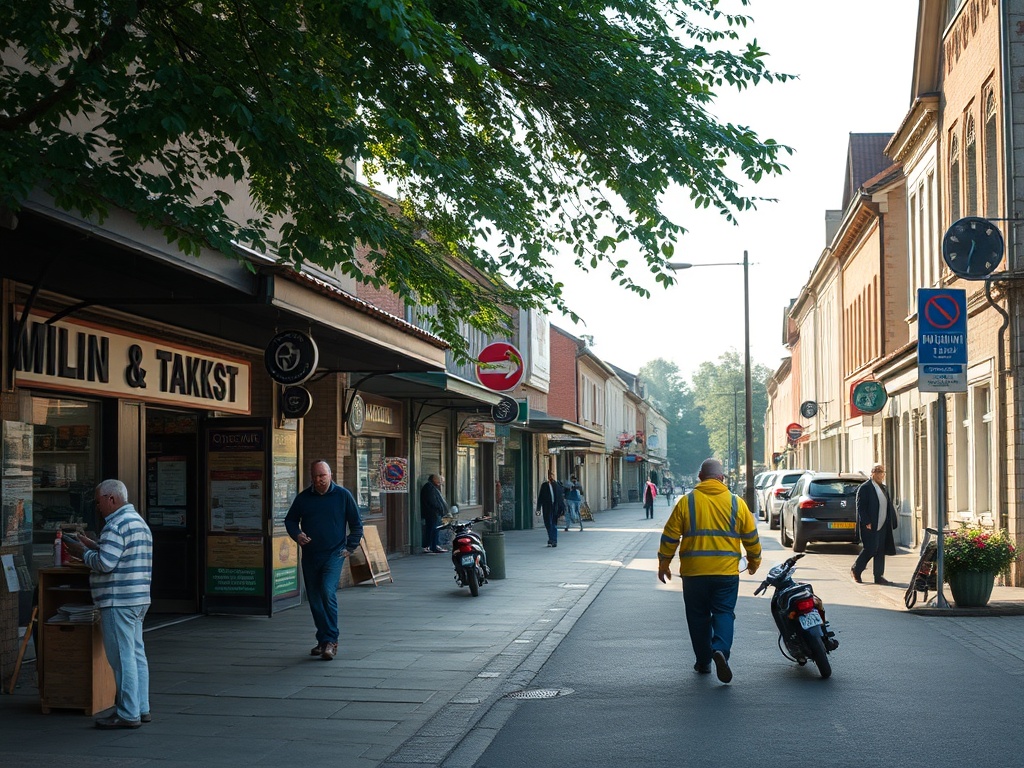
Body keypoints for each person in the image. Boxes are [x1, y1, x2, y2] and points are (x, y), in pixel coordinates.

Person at [657, 458, 761, 684]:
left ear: (700, 478)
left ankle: (703, 661)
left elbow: (670, 536)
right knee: (724, 612)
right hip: (725, 574)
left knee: (697, 617)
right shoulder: (736, 503)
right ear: (722, 478)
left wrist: (664, 564)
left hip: (694, 575)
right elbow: (751, 538)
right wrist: (754, 562)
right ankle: (721, 650)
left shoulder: (687, 502)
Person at [63, 479, 153, 729]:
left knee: (122, 658)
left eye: (99, 501)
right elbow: (119, 554)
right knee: (136, 655)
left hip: (118, 600)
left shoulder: (115, 525)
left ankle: (127, 713)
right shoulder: (137, 522)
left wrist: (83, 554)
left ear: (111, 498)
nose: (98, 506)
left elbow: (105, 564)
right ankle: (141, 707)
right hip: (138, 598)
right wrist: (94, 545)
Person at [285, 460, 364, 661]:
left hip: (334, 553)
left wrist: (350, 547)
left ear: (330, 475)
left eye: (323, 475)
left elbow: (356, 524)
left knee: (327, 592)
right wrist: (298, 535)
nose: (319, 480)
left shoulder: (343, 495)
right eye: (315, 476)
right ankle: (323, 640)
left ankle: (331, 641)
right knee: (314, 599)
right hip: (311, 554)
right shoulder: (304, 498)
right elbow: (290, 520)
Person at [851, 463, 898, 585]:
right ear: (872, 473)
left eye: (882, 472)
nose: (880, 474)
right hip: (870, 525)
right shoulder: (865, 488)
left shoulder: (884, 488)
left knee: (880, 551)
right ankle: (856, 569)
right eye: (877, 471)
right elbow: (860, 507)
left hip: (882, 524)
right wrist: (866, 521)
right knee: (870, 549)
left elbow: (889, 505)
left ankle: (879, 576)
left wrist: (892, 520)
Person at [535, 469, 566, 547]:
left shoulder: (557, 485)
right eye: (549, 475)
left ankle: (554, 540)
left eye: (552, 475)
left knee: (554, 524)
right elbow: (540, 498)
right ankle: (550, 539)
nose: (550, 476)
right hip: (546, 508)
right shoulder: (544, 486)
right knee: (548, 524)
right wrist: (538, 509)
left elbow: (560, 498)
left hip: (555, 508)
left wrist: (562, 509)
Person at [419, 474, 449, 553]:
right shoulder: (429, 488)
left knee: (434, 529)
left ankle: (433, 545)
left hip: (434, 513)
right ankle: (432, 546)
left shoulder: (432, 487)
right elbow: (433, 501)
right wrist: (439, 508)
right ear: (435, 480)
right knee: (433, 529)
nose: (441, 482)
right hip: (432, 513)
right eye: (439, 480)